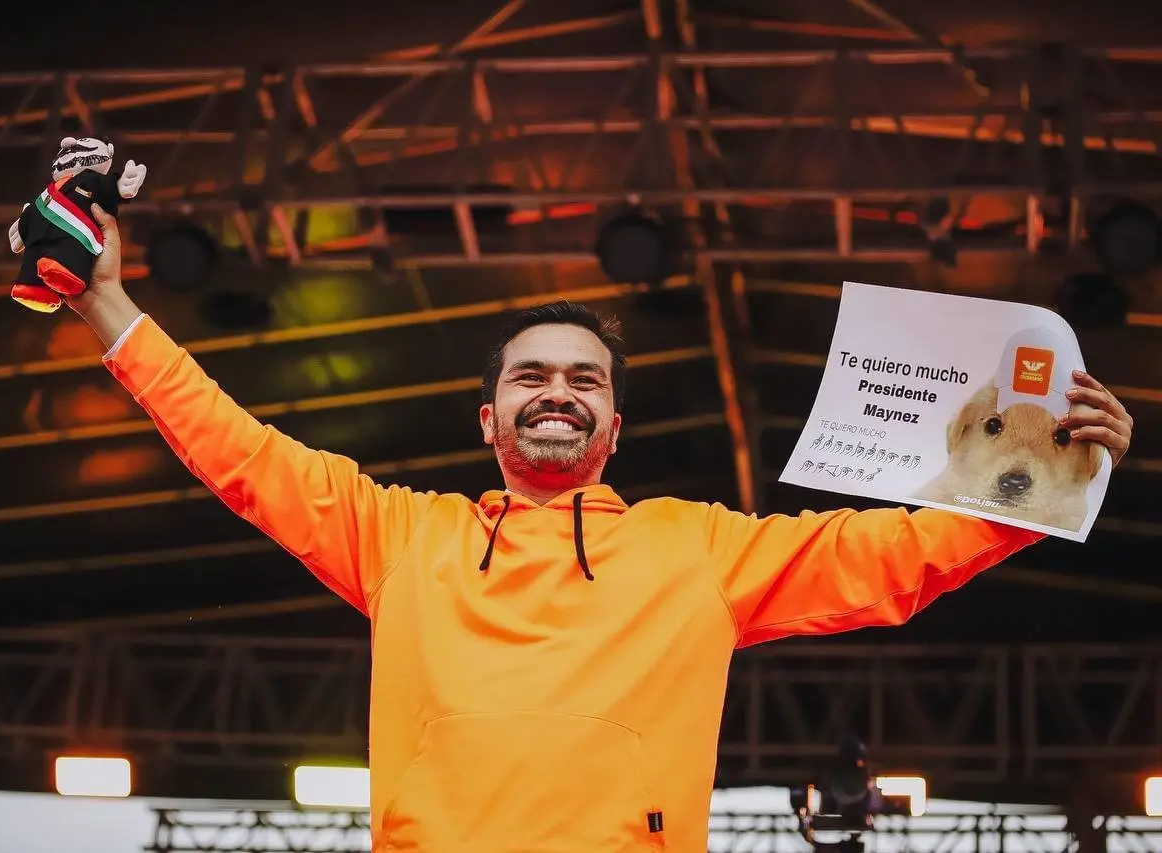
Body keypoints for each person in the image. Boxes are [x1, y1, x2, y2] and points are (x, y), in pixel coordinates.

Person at [71, 204, 1133, 853]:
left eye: (583, 380)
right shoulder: (399, 536)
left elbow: (893, 557)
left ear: (612, 427)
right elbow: (238, 453)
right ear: (486, 419)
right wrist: (108, 304)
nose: (556, 391)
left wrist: (1052, 480)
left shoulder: (701, 549)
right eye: (529, 376)